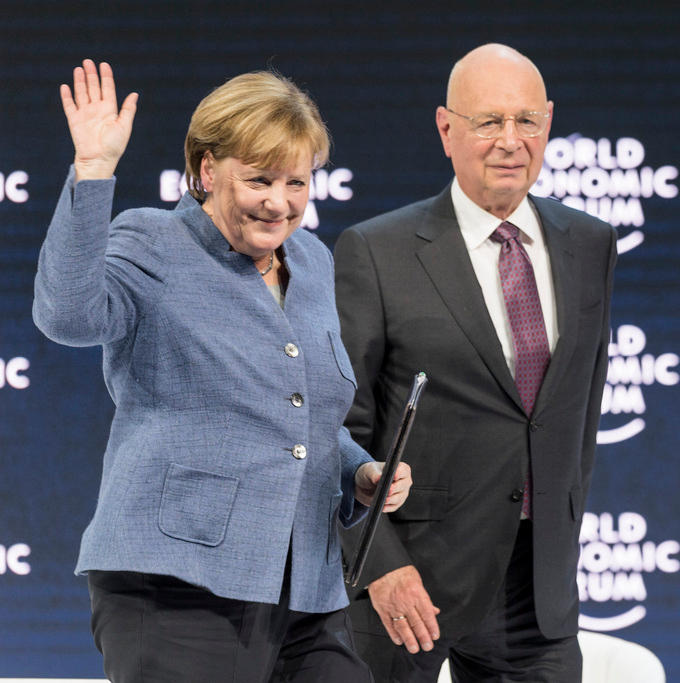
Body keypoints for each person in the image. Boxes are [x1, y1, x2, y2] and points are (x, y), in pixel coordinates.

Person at [32, 59, 411, 682]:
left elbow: (302, 412)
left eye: (296, 182)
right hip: (177, 588)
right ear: (207, 170)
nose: (278, 202)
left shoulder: (312, 261)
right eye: (259, 179)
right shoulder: (152, 241)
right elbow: (67, 318)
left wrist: (359, 471)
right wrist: (93, 170)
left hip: (304, 592)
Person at [333, 43, 616, 682]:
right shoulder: (377, 251)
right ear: (446, 129)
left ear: (548, 122)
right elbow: (335, 431)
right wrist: (377, 565)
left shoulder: (590, 244)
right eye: (488, 122)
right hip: (406, 590)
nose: (509, 141)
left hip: (536, 599)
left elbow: (578, 414)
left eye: (526, 121)